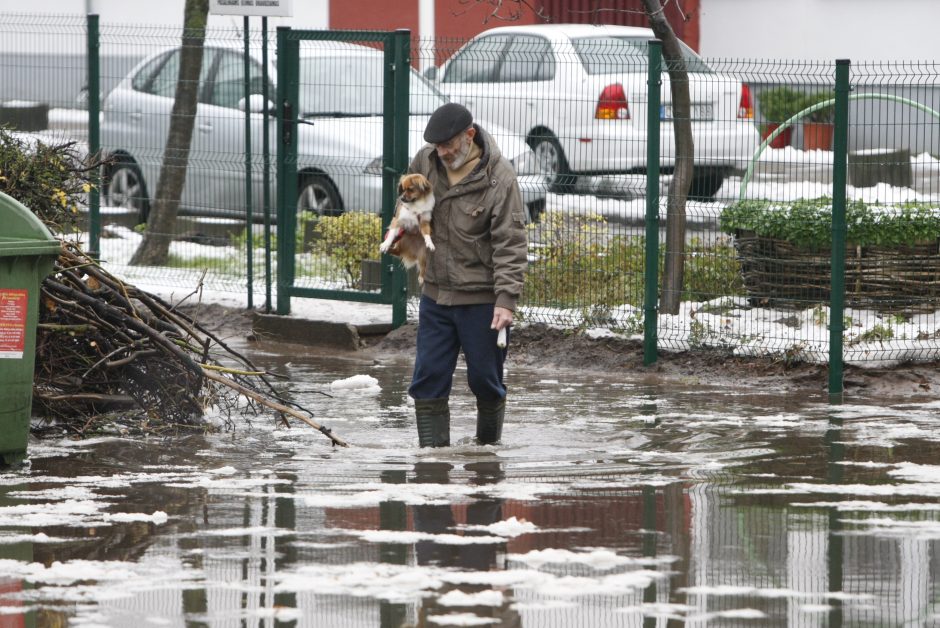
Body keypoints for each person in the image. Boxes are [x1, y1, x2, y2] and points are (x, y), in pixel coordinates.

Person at [407, 102, 528, 447]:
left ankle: (487, 457)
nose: (441, 152)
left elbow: (511, 242)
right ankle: (431, 463)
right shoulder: (425, 162)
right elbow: (407, 202)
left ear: (469, 136)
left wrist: (506, 301)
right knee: (427, 378)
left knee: (485, 380)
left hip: (482, 300)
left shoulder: (499, 177)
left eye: (448, 144)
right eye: (436, 145)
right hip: (436, 295)